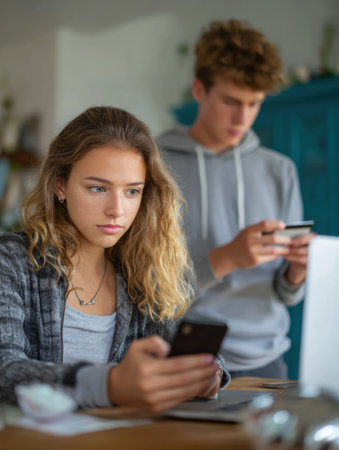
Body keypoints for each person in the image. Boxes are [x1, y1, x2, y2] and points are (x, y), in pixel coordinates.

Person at [0, 106, 229, 411]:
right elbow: (6, 370)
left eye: (132, 192)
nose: (117, 210)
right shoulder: (11, 261)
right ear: (60, 186)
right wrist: (110, 384)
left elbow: (192, 354)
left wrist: (205, 375)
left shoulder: (140, 270)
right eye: (98, 188)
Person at [157, 20, 315, 379]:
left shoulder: (280, 170)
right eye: (230, 101)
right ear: (199, 90)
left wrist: (298, 272)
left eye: (254, 103)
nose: (242, 118)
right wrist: (226, 258)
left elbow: (286, 295)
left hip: (269, 362)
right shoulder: (154, 165)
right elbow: (146, 289)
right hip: (187, 359)